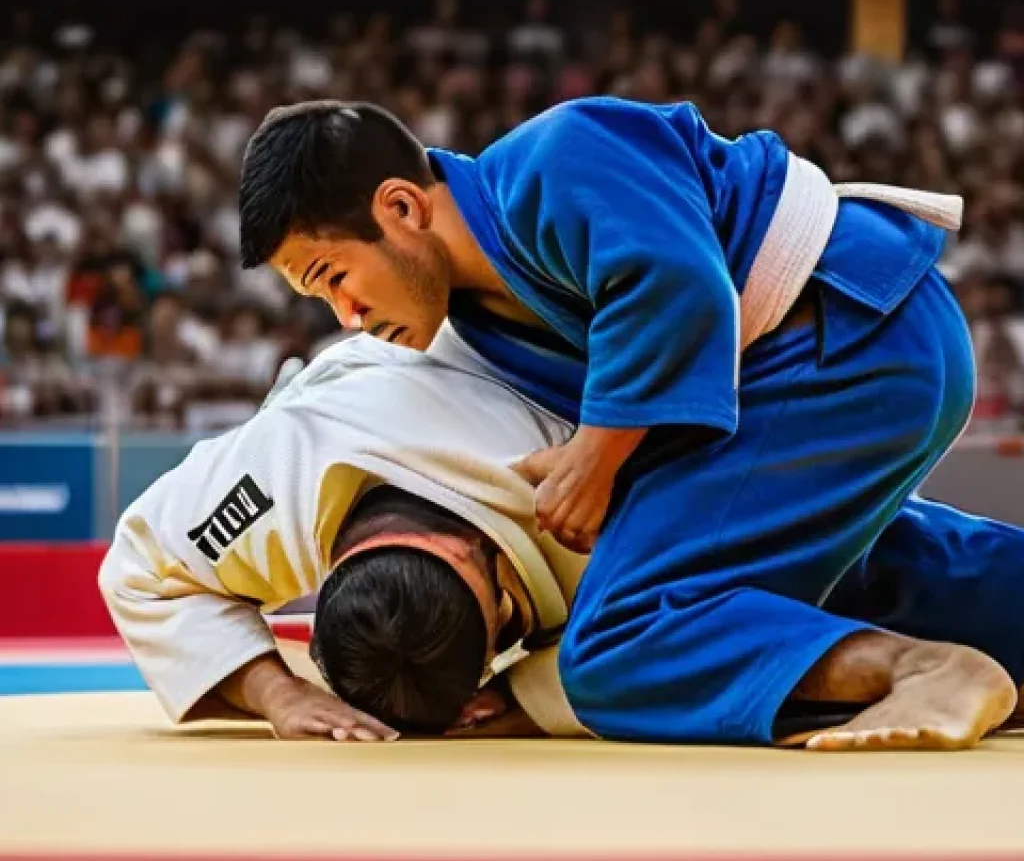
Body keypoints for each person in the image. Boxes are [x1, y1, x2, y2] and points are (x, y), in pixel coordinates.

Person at [98, 326, 1024, 751]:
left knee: (875, 572)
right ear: (319, 573)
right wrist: (271, 691)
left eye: (498, 641)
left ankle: (924, 657)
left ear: (496, 584)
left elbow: (632, 642)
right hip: (358, 383)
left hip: (683, 441)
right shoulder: (268, 486)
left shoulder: (563, 475)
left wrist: (537, 692)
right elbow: (138, 567)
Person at [236, 97, 964, 553]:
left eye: (332, 277)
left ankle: (926, 668)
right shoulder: (471, 327)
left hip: (855, 325)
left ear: (400, 209)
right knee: (861, 573)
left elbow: (677, 282)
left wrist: (598, 454)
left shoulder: (558, 154)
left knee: (638, 620)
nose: (348, 316)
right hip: (802, 377)